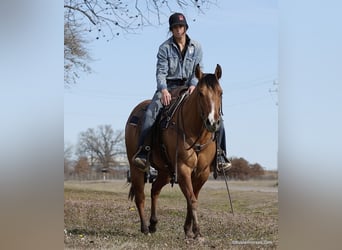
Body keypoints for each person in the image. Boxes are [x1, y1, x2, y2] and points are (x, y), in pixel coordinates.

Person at [133, 12, 231, 174]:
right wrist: (163, 89)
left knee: (215, 117)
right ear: (171, 30)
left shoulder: (196, 47)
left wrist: (194, 84)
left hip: (190, 87)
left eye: (181, 26)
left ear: (185, 27)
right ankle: (144, 152)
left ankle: (220, 155)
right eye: (175, 27)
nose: (178, 30)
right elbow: (161, 72)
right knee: (151, 112)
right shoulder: (164, 48)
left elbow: (198, 69)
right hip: (169, 87)